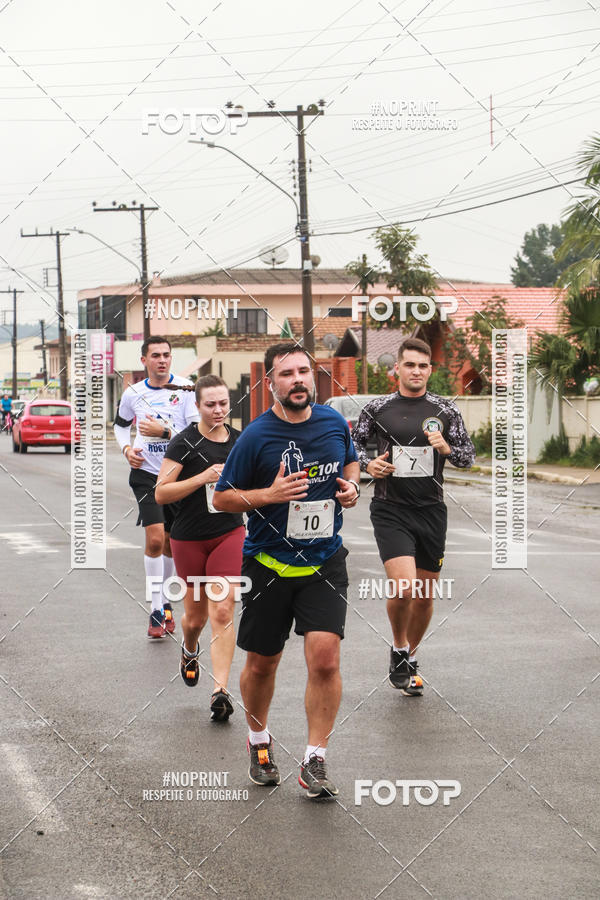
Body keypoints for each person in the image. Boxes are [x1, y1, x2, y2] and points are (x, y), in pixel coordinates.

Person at [213, 342, 360, 800]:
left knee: (325, 658)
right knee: (261, 664)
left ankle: (314, 758)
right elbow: (222, 499)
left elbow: (350, 459)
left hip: (323, 560)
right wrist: (270, 495)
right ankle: (259, 742)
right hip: (268, 564)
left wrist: (352, 485)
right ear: (271, 383)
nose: (298, 380)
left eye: (304, 371)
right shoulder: (256, 437)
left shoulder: (334, 422)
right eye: (287, 374)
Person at [352, 337, 475, 696]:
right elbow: (353, 445)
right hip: (391, 508)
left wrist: (447, 448)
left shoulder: (445, 410)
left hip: (431, 510)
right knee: (404, 586)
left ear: (430, 371)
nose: (416, 371)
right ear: (397, 369)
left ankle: (409, 656)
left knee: (423, 596)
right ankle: (399, 645)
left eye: (422, 366)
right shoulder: (377, 408)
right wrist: (367, 463)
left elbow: (467, 456)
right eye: (410, 365)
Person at [155, 375, 245, 722]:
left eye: (223, 403)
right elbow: (161, 493)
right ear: (197, 406)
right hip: (188, 537)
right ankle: (190, 649)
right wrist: (202, 477)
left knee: (222, 609)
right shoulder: (184, 444)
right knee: (194, 618)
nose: (219, 409)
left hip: (229, 533)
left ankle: (220, 690)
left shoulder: (240, 441)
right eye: (211, 404)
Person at [113, 336, 199, 639]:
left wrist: (164, 431)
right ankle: (157, 609)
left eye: (166, 355)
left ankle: (167, 602)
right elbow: (121, 426)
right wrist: (126, 450)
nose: (162, 360)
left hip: (177, 475)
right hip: (146, 474)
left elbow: (195, 434)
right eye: (155, 356)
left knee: (170, 542)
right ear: (144, 361)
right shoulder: (133, 393)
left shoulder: (186, 389)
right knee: (154, 538)